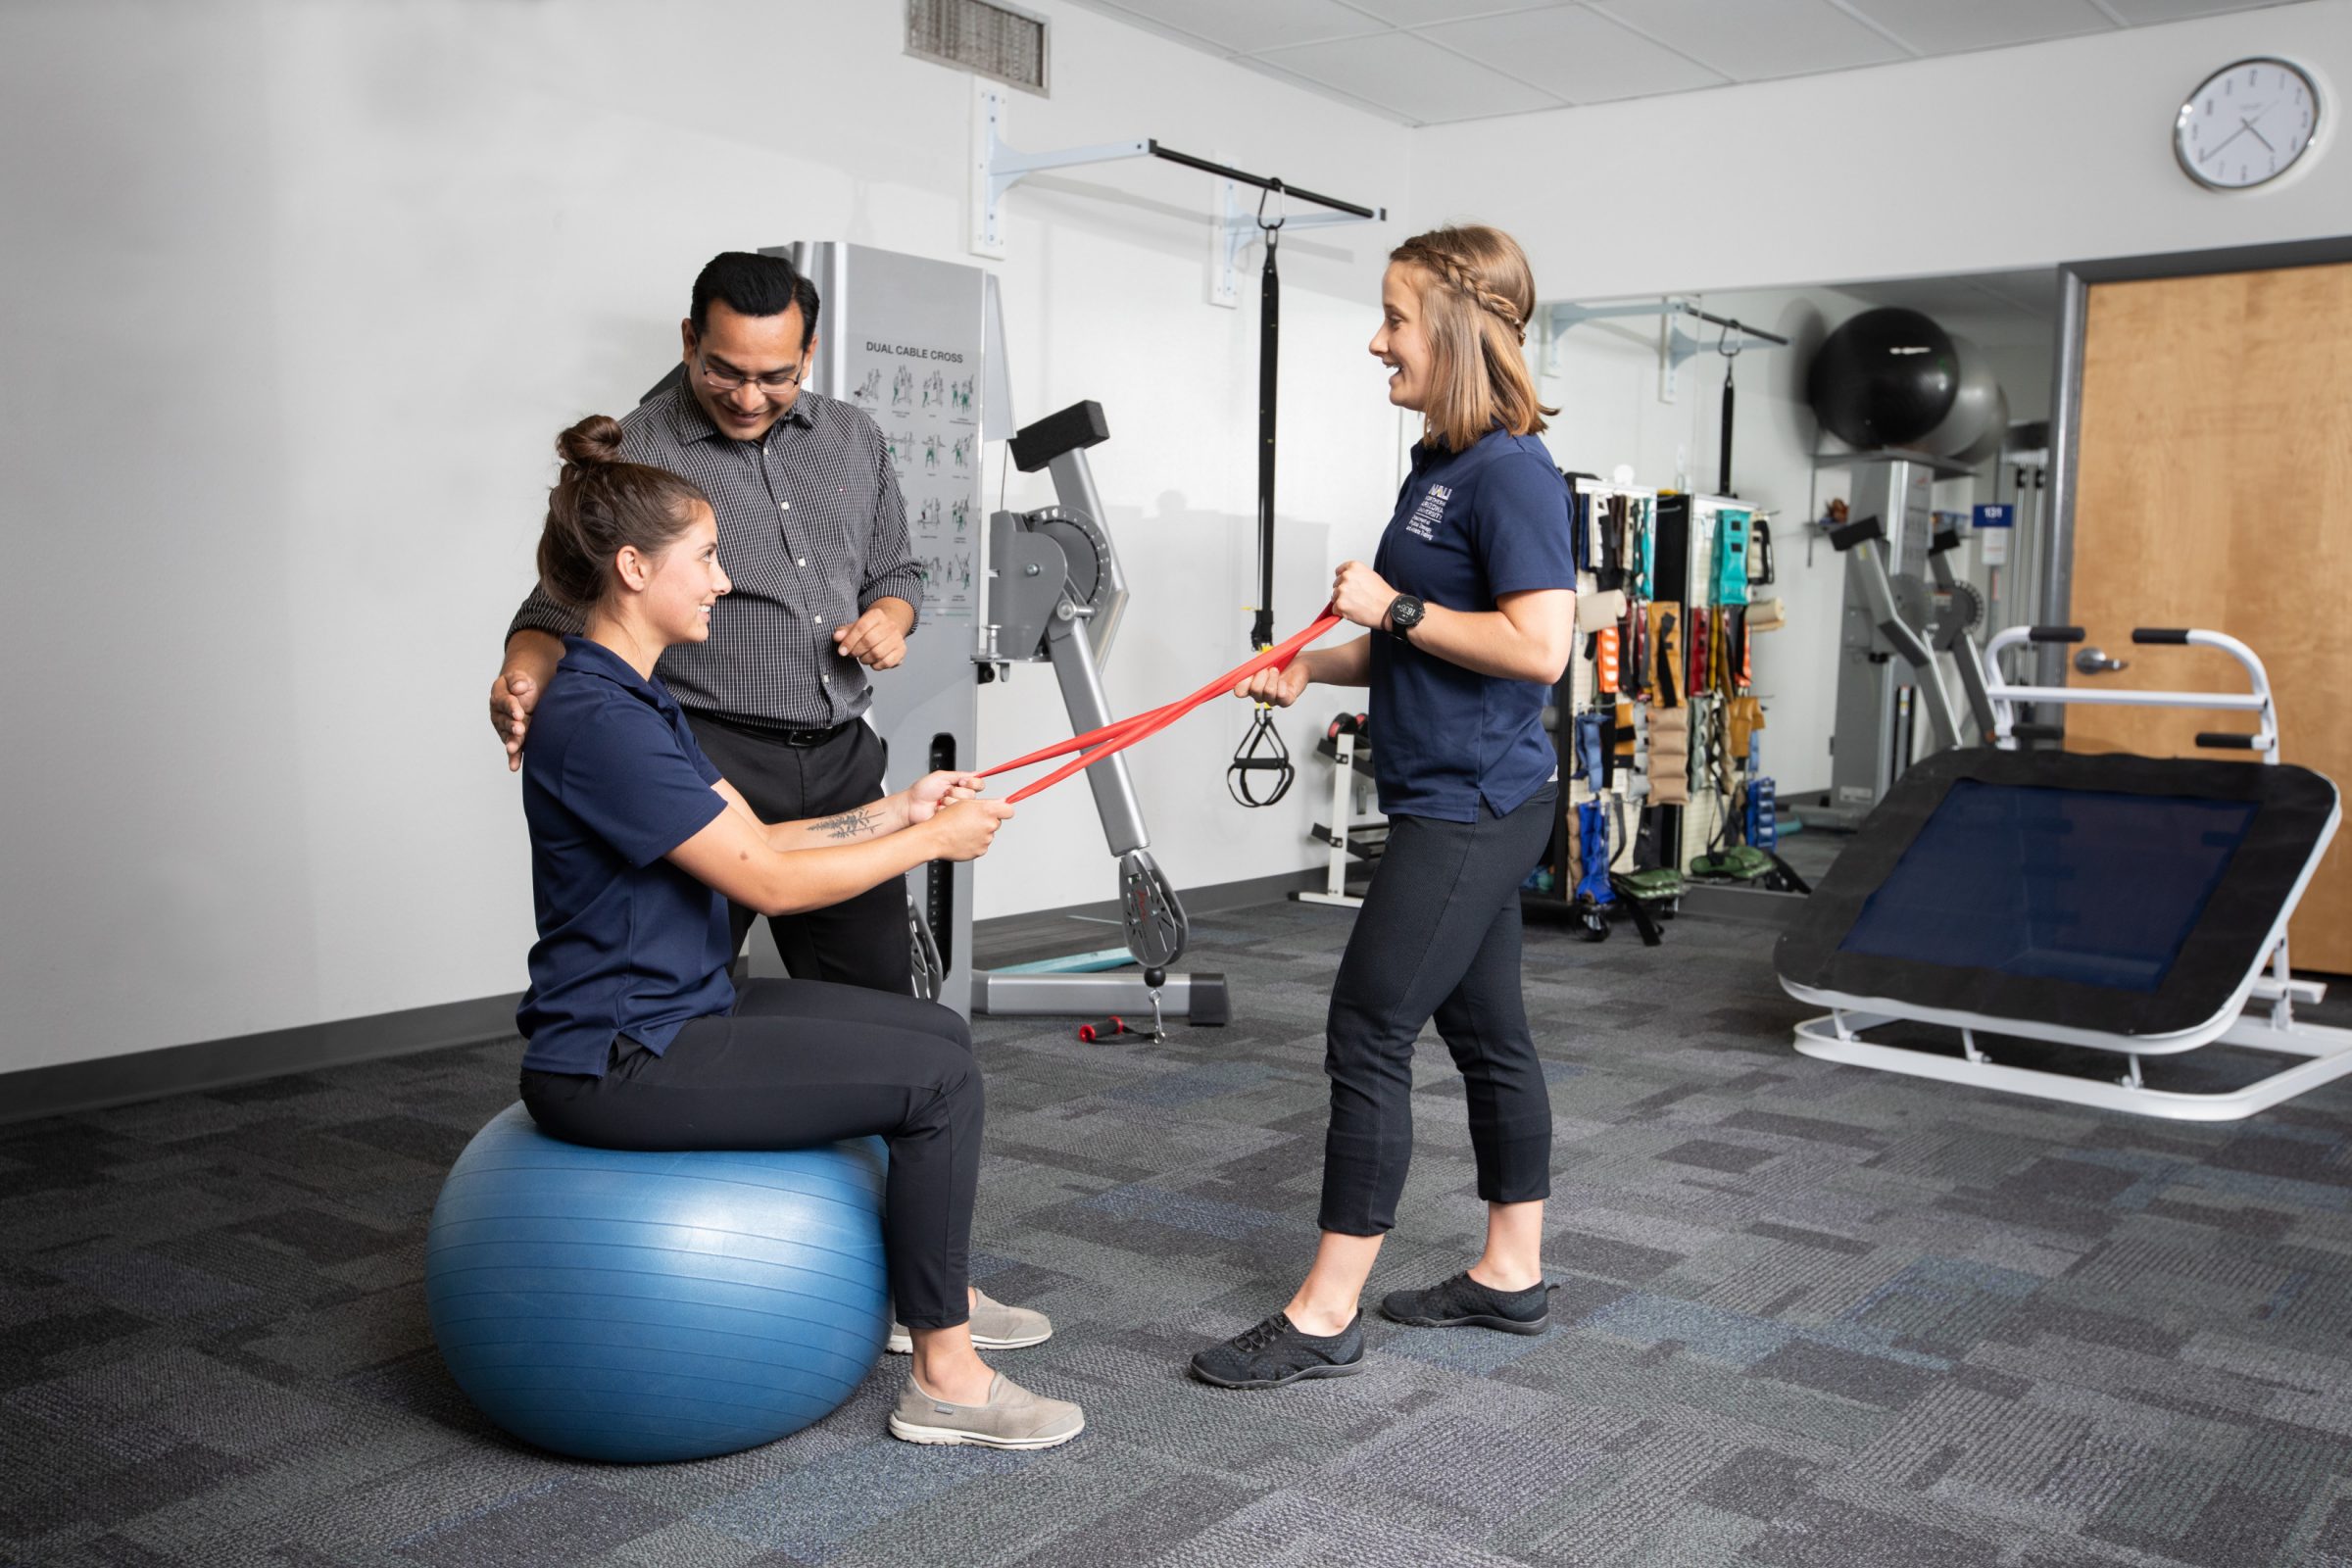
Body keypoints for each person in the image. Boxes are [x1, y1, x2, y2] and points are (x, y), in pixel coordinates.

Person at [515, 414, 1082, 1449]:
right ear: (634, 568)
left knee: (937, 1039)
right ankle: (947, 1378)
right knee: (938, 1081)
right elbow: (771, 885)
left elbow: (764, 834)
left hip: (675, 1011)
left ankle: (933, 1295)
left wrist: (903, 807)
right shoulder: (598, 720)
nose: (725, 582)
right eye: (708, 559)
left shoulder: (638, 701)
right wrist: (936, 845)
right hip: (622, 1057)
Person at [1192, 225, 1576, 1390]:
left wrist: (1394, 612)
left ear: (1454, 326)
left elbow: (1537, 647)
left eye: (1395, 319)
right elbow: (1430, 648)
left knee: (1369, 1025)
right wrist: (1320, 664)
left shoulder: (1512, 472)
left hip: (1473, 804)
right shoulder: (1438, 464)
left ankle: (1325, 1311)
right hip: (1447, 794)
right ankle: (1513, 1271)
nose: (1378, 341)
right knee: (1486, 1032)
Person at [490, 251, 925, 996]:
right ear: (689, 339)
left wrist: (890, 615)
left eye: (776, 376)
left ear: (808, 354)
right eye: (726, 370)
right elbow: (553, 607)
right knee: (681, 1003)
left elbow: (898, 573)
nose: (750, 397)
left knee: (882, 1001)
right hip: (706, 756)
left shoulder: (854, 437)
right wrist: (524, 675)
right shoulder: (639, 453)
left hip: (843, 757)